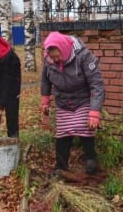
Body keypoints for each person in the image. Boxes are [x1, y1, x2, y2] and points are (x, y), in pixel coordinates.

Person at [40, 31, 105, 175]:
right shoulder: (48, 59)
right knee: (63, 134)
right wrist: (45, 99)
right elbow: (45, 80)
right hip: (63, 100)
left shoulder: (83, 56)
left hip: (82, 99)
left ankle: (91, 161)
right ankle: (61, 167)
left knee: (85, 129)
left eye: (58, 56)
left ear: (64, 48)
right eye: (52, 57)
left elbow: (97, 85)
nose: (56, 60)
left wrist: (95, 111)